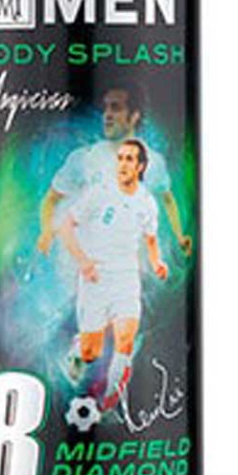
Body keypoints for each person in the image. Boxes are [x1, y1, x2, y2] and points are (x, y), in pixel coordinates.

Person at [57, 139, 168, 411]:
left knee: (126, 340)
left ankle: (110, 398)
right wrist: (84, 262)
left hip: (126, 279)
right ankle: (79, 350)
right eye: (120, 158)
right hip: (96, 278)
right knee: (91, 352)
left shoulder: (146, 203)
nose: (123, 164)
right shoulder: (100, 193)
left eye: (129, 159)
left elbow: (150, 238)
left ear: (140, 166)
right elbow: (66, 226)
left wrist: (157, 262)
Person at [37, 82, 193, 257]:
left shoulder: (154, 162)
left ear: (134, 116)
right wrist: (46, 232)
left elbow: (167, 199)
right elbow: (51, 198)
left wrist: (179, 237)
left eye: (116, 108)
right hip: (87, 263)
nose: (107, 115)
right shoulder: (84, 158)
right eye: (106, 108)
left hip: (130, 263)